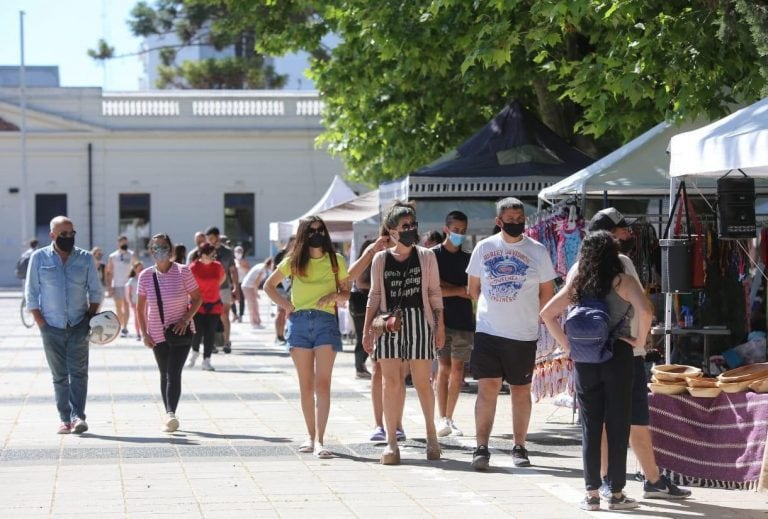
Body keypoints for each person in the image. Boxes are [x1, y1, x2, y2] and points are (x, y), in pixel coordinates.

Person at [584, 208, 691, 501]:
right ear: (609, 234)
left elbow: (555, 309)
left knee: (603, 421)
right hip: (625, 353)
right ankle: (633, 481)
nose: (629, 234)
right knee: (633, 419)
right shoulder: (621, 262)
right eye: (622, 230)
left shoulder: (581, 264)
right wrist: (640, 341)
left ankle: (622, 480)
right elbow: (644, 307)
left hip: (591, 355)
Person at [541, 230, 652, 510]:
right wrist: (639, 341)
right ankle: (614, 493)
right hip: (619, 355)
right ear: (613, 253)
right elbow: (647, 312)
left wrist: (567, 346)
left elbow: (546, 314)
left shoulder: (579, 282)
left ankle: (591, 494)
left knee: (591, 427)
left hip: (586, 360)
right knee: (617, 424)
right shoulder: (622, 281)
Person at [467, 197, 556, 470]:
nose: (517, 223)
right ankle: (481, 446)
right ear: (499, 221)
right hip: (489, 331)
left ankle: (520, 446)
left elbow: (547, 293)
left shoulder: (538, 251)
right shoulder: (484, 248)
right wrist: (488, 313)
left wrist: (533, 319)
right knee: (487, 388)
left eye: (520, 219)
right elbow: (473, 289)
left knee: (520, 389)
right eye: (511, 219)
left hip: (523, 333)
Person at [362, 201, 445, 465]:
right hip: (388, 323)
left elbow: (434, 292)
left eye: (413, 225)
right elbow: (374, 294)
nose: (410, 229)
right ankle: (391, 442)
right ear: (392, 230)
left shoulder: (426, 256)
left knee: (422, 381)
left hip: (419, 319)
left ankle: (431, 436)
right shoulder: (380, 258)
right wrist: (366, 330)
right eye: (404, 226)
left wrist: (439, 325)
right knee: (390, 382)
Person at [264, 216, 350, 459]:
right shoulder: (293, 261)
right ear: (303, 233)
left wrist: (333, 295)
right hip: (299, 322)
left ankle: (321, 440)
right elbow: (268, 286)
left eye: (320, 229)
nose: (316, 234)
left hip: (325, 323)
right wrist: (285, 305)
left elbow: (347, 294)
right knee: (306, 385)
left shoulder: (337, 261)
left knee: (323, 384)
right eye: (311, 230)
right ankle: (309, 436)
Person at [25, 216, 102, 434]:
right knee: (59, 375)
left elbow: (95, 291)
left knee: (78, 373)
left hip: (79, 324)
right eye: (63, 234)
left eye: (71, 233)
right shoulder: (39, 258)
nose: (68, 237)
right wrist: (42, 324)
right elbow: (31, 294)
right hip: (50, 326)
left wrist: (89, 318)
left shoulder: (85, 258)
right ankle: (64, 419)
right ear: (52, 235)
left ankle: (78, 417)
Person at [137, 233, 202, 432]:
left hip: (181, 331)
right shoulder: (146, 275)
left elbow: (197, 298)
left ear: (171, 249)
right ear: (150, 251)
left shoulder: (183, 272)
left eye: (163, 247)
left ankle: (170, 413)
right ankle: (168, 412)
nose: (160, 251)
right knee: (164, 372)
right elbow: (140, 308)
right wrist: (144, 334)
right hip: (157, 332)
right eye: (155, 247)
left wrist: (185, 318)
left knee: (174, 372)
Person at [433, 211, 474, 437]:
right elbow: (432, 289)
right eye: (455, 230)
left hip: (464, 321)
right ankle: (441, 417)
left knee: (458, 370)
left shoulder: (468, 258)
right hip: (440, 320)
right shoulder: (432, 256)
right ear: (446, 228)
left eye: (462, 230)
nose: (459, 234)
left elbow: (474, 291)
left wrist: (446, 288)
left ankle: (449, 417)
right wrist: (459, 289)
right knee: (444, 368)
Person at [188, 243, 226, 371]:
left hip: (214, 304)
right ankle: (194, 352)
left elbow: (222, 278)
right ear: (203, 255)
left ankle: (207, 360)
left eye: (215, 255)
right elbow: (187, 285)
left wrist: (213, 288)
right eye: (211, 255)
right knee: (197, 332)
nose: (214, 257)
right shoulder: (193, 267)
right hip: (197, 305)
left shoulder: (218, 266)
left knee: (210, 333)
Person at [206, 226, 239, 354]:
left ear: (218, 237)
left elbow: (233, 270)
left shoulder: (227, 252)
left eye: (212, 238)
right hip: (210, 289)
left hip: (224, 288)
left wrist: (236, 287)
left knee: (224, 315)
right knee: (211, 317)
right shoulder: (206, 251)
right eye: (209, 239)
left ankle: (226, 342)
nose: (210, 241)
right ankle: (212, 343)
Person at [106, 235, 138, 338]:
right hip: (117, 284)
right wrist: (109, 287)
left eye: (126, 242)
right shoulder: (113, 256)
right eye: (122, 242)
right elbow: (109, 272)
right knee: (119, 307)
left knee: (126, 306)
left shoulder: (131, 254)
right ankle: (120, 325)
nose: (124, 244)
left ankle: (125, 327)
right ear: (118, 243)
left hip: (128, 284)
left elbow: (137, 267)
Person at [272, 237, 295, 344]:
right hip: (281, 287)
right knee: (280, 312)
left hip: (292, 287)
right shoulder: (280, 255)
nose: (294, 246)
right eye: (293, 243)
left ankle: (285, 334)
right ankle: (279, 335)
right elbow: (274, 271)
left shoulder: (295, 255)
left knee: (289, 311)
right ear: (289, 243)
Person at [241, 257, 273, 328]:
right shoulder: (262, 269)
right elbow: (256, 283)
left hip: (249, 286)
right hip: (248, 286)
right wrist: (256, 293)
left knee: (254, 304)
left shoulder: (263, 267)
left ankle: (257, 322)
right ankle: (255, 323)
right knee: (253, 305)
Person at [125, 261, 145, 341]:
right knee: (137, 318)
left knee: (146, 317)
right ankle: (138, 333)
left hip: (145, 302)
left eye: (142, 268)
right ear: (135, 269)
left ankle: (145, 333)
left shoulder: (145, 278)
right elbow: (129, 293)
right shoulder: (131, 281)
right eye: (139, 268)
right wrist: (130, 302)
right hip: (135, 302)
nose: (141, 269)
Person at [232, 245, 250, 323]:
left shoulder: (244, 261)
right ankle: (235, 314)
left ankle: (241, 315)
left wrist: (242, 266)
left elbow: (249, 271)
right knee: (232, 299)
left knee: (241, 299)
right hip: (234, 282)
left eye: (240, 251)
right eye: (237, 251)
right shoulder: (233, 261)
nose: (238, 253)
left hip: (242, 282)